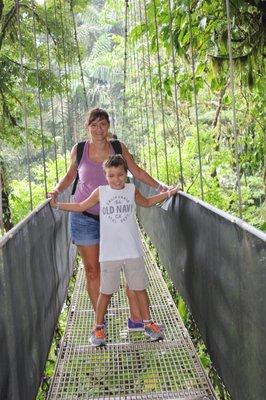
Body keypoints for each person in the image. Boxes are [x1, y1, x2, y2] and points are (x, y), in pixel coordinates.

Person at [48, 107, 169, 331]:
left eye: (102, 124)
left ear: (108, 126)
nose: (98, 129)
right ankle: (100, 323)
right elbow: (69, 176)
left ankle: (136, 320)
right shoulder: (80, 149)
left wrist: (162, 187)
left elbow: (137, 172)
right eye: (93, 125)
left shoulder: (118, 147)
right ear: (87, 128)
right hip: (85, 218)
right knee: (93, 270)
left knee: (126, 265)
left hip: (116, 220)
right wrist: (55, 191)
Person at [50, 155, 179, 346]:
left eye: (120, 175)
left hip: (132, 250)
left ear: (126, 174)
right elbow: (80, 206)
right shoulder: (100, 192)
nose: (116, 179)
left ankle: (148, 324)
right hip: (110, 253)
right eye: (111, 175)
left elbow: (148, 202)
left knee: (140, 288)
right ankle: (98, 328)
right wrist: (58, 204)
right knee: (106, 292)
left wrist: (169, 193)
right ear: (105, 176)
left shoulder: (131, 189)